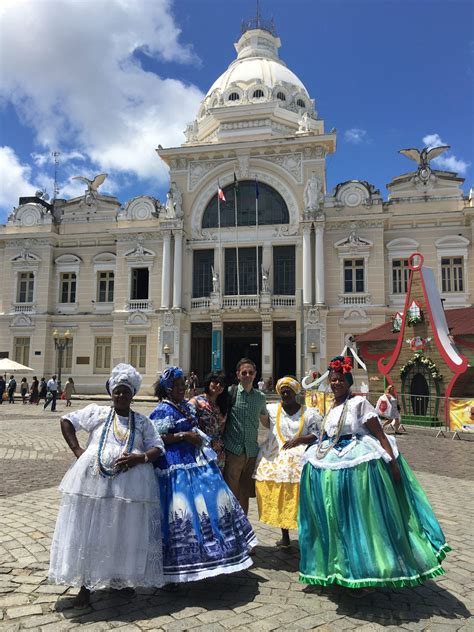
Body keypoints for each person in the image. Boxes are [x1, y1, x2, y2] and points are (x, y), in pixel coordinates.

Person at [298, 356, 450, 593]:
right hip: (333, 468)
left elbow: (379, 435)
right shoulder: (330, 408)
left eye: (340, 380)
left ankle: (369, 568)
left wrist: (393, 464)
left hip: (358, 469)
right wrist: (303, 441)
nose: (336, 383)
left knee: (361, 519)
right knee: (337, 519)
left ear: (348, 382)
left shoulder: (360, 404)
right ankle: (341, 568)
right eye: (333, 380)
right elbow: (326, 437)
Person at [48, 363, 165, 607]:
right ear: (111, 393)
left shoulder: (142, 422)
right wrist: (77, 449)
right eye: (117, 391)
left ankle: (118, 580)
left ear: (133, 395)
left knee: (121, 532)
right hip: (94, 488)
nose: (121, 395)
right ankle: (85, 587)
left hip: (129, 490)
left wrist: (139, 457)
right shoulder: (98, 413)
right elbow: (67, 420)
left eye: (126, 391)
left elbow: (158, 446)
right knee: (91, 531)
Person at [150, 366, 256, 584]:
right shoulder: (163, 409)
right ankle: (175, 568)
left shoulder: (182, 407)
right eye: (178, 386)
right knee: (181, 513)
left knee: (206, 510)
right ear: (168, 388)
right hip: (174, 466)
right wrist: (184, 435)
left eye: (183, 386)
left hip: (197, 460)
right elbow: (158, 438)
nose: (182, 389)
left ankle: (210, 557)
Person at [254, 377, 320, 548]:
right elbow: (259, 414)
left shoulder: (309, 412)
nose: (285, 393)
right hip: (277, 457)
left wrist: (300, 440)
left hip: (301, 458)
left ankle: (308, 536)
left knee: (302, 497)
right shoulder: (272, 410)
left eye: (288, 390)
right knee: (283, 498)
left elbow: (317, 433)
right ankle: (285, 536)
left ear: (295, 392)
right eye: (282, 391)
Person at [223, 358, 268, 515]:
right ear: (238, 375)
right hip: (233, 451)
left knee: (245, 494)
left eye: (250, 372)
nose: (247, 375)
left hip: (251, 452)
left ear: (255, 375)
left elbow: (266, 420)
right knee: (230, 493)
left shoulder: (260, 397)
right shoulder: (230, 393)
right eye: (244, 373)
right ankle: (231, 526)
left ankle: (244, 528)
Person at [189, 372, 228, 472]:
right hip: (202, 449)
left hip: (218, 451)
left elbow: (222, 429)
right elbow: (187, 421)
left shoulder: (222, 405)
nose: (218, 385)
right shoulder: (197, 401)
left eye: (222, 384)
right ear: (208, 382)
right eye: (215, 382)